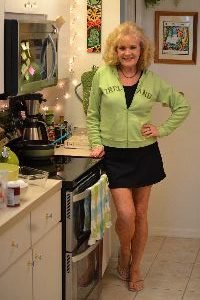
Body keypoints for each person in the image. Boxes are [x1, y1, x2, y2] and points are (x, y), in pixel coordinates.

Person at [86, 21, 190, 292]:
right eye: (122, 47)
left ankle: (135, 267)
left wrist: (161, 129)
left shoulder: (152, 81)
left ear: (141, 49)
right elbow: (93, 113)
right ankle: (125, 250)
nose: (127, 52)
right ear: (115, 50)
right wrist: (96, 142)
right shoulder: (103, 76)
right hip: (115, 154)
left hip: (145, 154)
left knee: (141, 214)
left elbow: (182, 106)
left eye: (132, 47)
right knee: (126, 213)